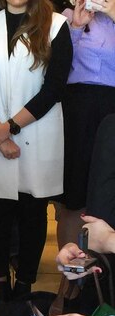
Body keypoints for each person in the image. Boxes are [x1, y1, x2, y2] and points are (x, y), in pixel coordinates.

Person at [0, 0, 72, 304]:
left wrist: (9, 127)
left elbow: (54, 88)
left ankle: (24, 291)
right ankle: (0, 293)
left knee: (33, 215)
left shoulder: (55, 25)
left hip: (35, 135)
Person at [53, 0, 115, 249]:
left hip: (112, 111)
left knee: (108, 190)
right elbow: (56, 68)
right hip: (77, 109)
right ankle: (69, 281)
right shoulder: (68, 16)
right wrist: (77, 27)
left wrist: (112, 11)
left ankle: (101, 275)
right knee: (74, 197)